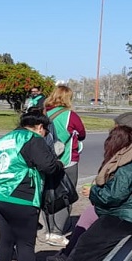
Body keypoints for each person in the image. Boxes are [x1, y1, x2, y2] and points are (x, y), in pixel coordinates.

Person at [47, 126, 132, 261]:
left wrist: (93, 191)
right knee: (99, 240)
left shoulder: (127, 166)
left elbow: (112, 197)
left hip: (129, 218)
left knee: (88, 243)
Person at [0, 110, 64, 261]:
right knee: (25, 244)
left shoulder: (4, 140)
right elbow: (48, 166)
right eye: (45, 130)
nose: (45, 134)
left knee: (5, 240)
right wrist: (59, 164)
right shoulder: (33, 139)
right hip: (22, 196)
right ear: (39, 127)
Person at [41, 85, 87, 246]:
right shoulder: (70, 116)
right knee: (65, 195)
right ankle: (58, 232)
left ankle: (48, 229)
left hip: (46, 161)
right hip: (67, 160)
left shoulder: (44, 113)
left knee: (48, 195)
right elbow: (82, 134)